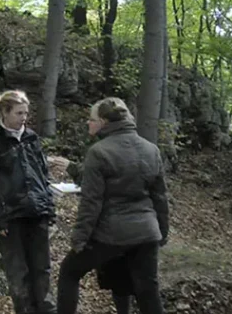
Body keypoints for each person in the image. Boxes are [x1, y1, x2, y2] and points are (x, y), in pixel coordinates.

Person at [57, 97, 169, 314]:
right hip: (146, 232)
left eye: (91, 120)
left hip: (112, 233)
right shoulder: (151, 149)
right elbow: (160, 197)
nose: (88, 124)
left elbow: (91, 202)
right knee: (147, 291)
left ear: (103, 121)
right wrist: (162, 231)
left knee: (69, 271)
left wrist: (79, 239)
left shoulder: (98, 152)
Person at [0, 90, 57, 314]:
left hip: (37, 212)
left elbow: (42, 174)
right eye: (19, 112)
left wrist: (48, 207)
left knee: (42, 269)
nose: (24, 117)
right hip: (11, 216)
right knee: (18, 272)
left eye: (26, 113)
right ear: (4, 112)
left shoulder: (31, 138)